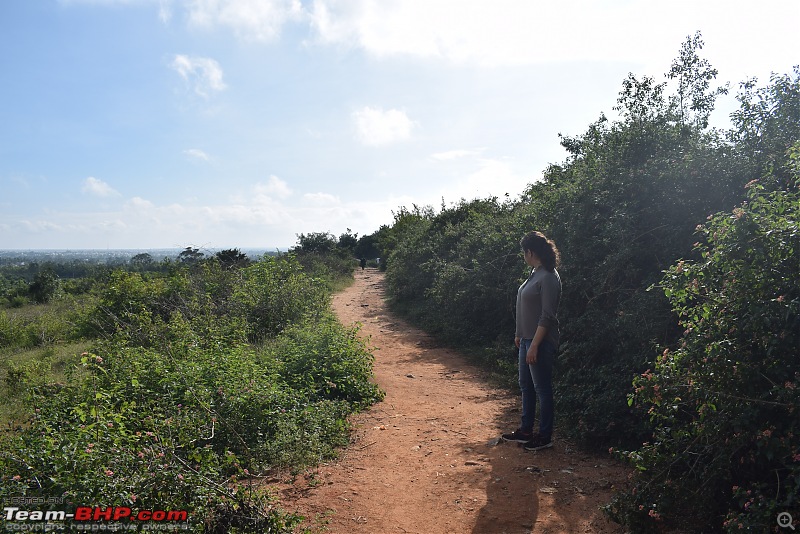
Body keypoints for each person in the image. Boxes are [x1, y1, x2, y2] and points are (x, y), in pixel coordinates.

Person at [501, 231, 562, 451]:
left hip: (540, 342)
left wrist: (534, 344)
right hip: (526, 340)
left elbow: (547, 316)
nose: (523, 257)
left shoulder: (548, 276)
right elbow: (524, 306)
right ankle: (526, 430)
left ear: (530, 252)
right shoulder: (534, 273)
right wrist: (519, 334)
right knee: (526, 386)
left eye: (524, 253)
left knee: (542, 389)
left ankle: (545, 436)